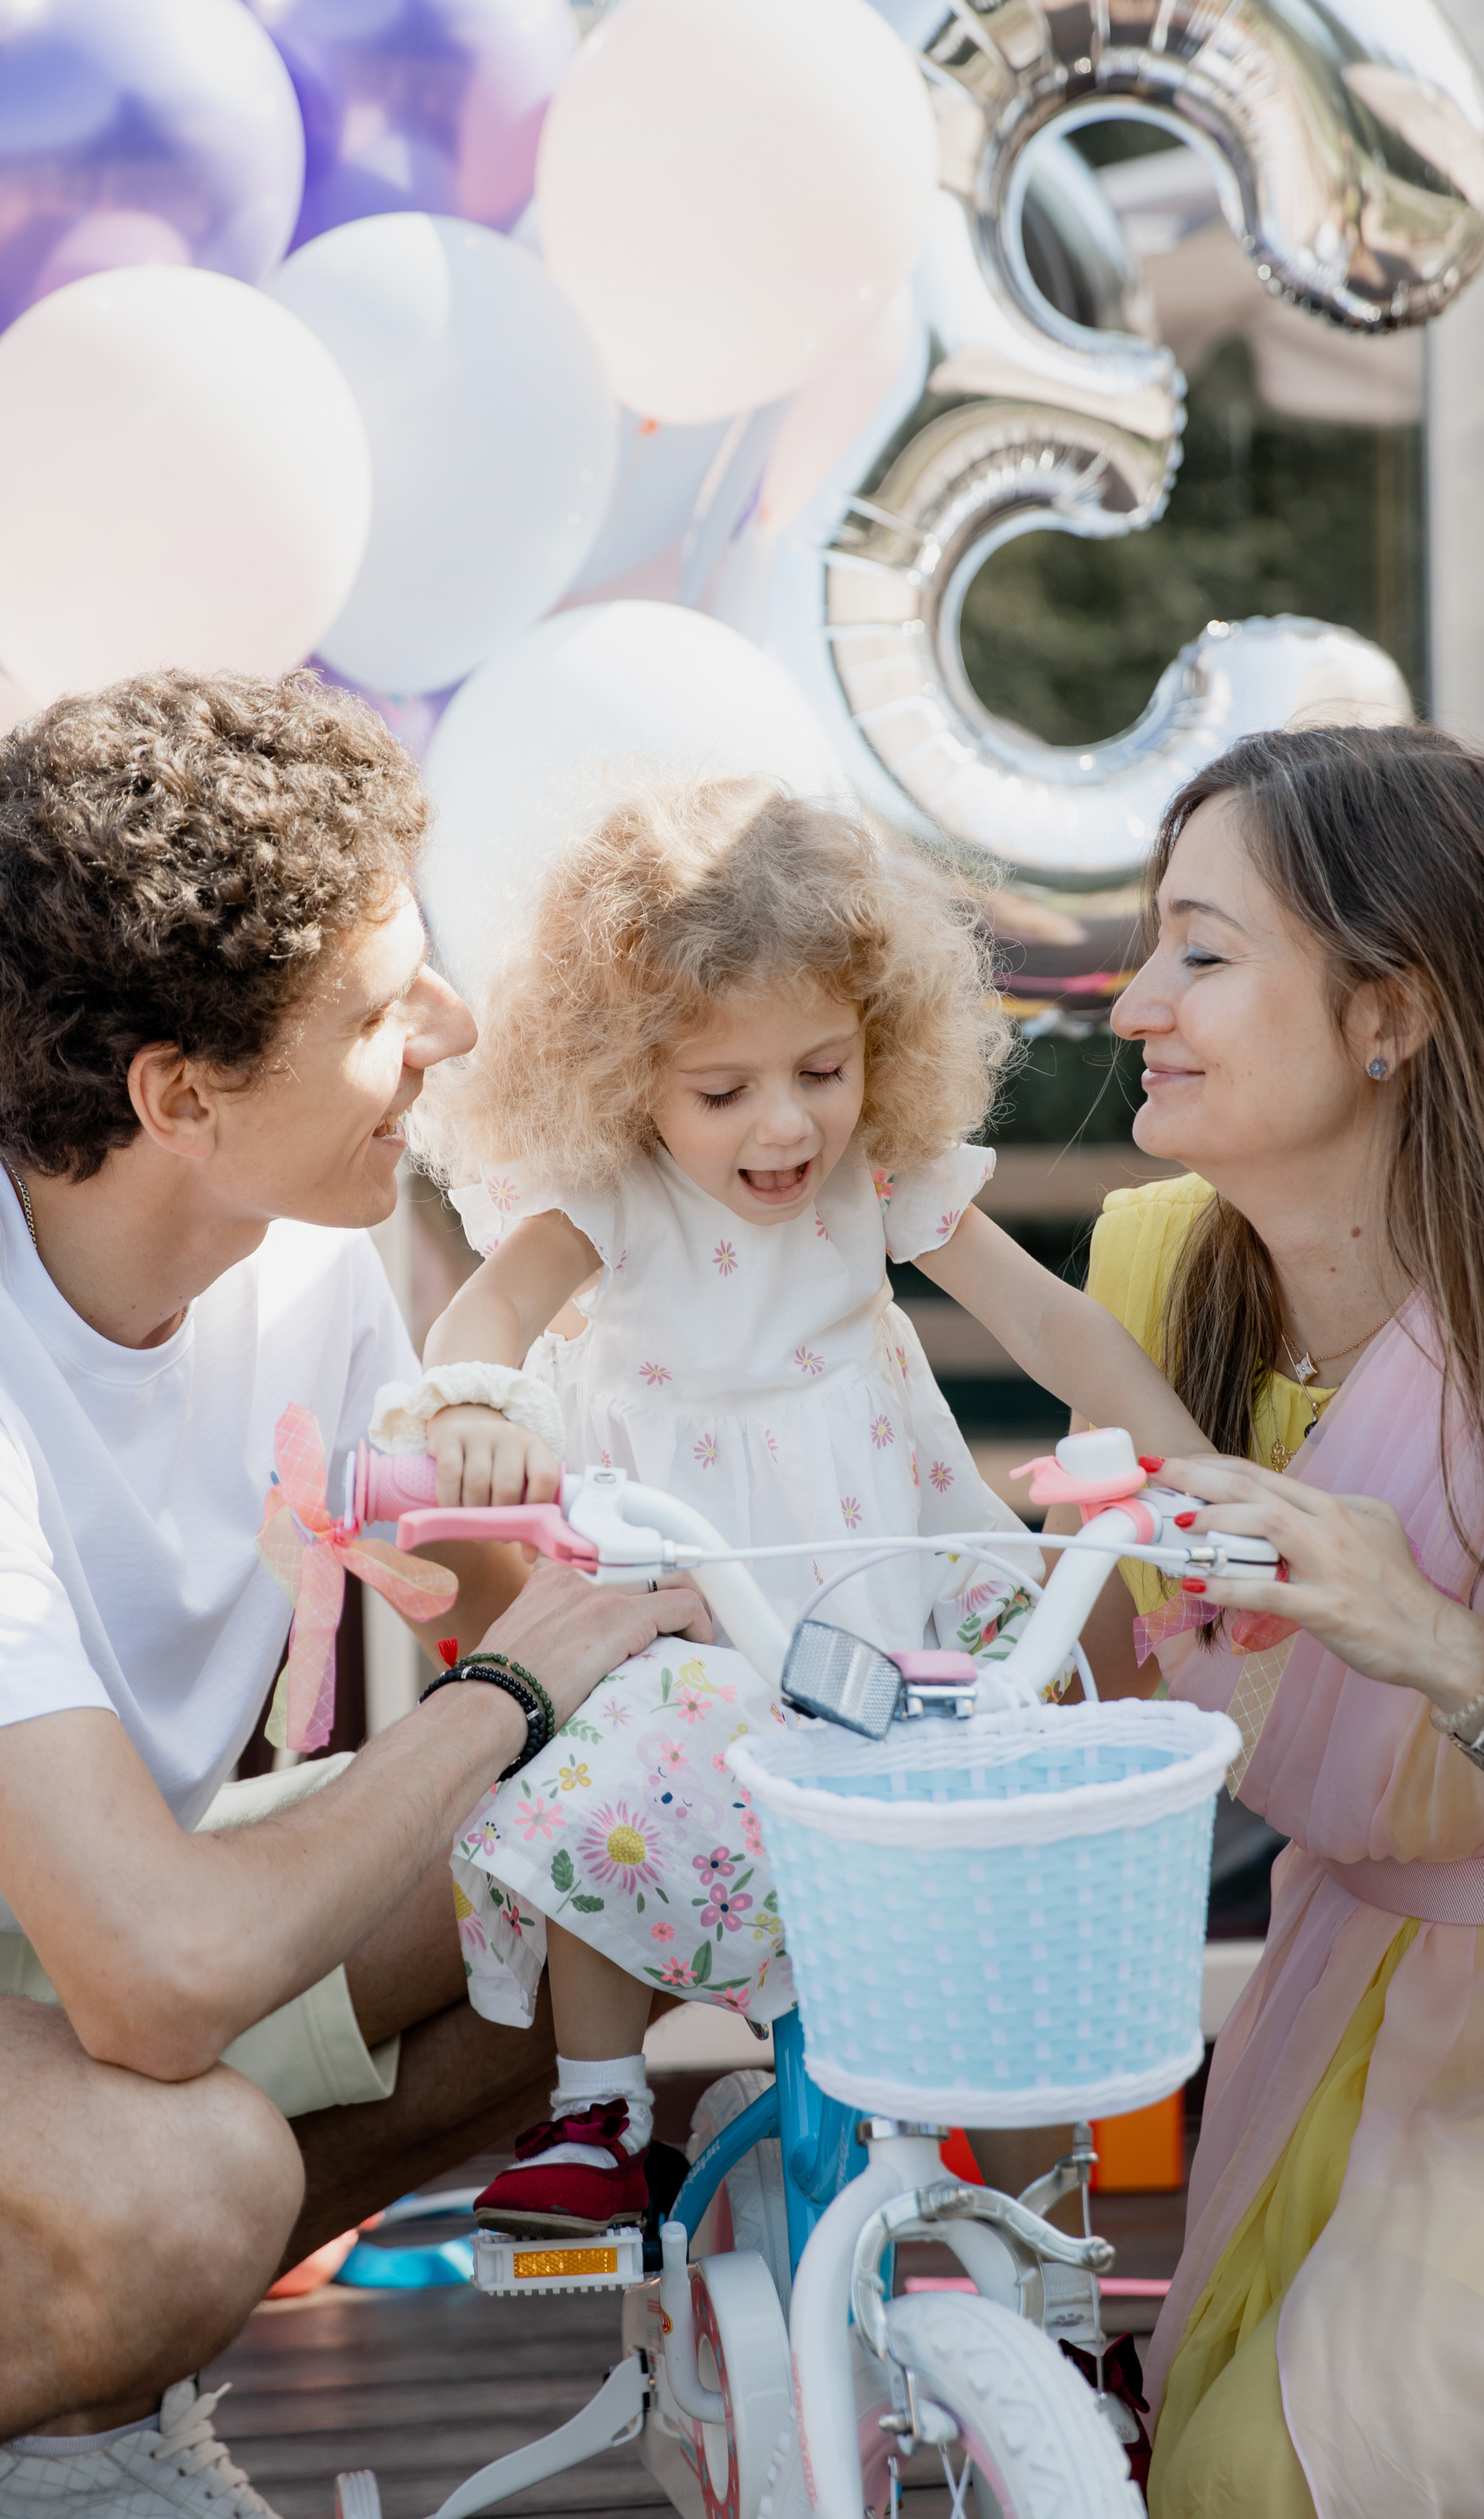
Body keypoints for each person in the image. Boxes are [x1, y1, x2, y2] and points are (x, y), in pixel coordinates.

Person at [0, 671, 713, 2518]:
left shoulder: (303, 1249)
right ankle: (87, 2309)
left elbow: (480, 1580)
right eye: (385, 1008)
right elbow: (156, 1985)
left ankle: (80, 2399)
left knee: (605, 1875)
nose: (450, 1028)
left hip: (66, 1911)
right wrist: (507, 1695)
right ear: (180, 1094)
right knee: (179, 2190)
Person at [396, 777, 1209, 2238]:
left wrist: (1184, 1466)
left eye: (823, 1070)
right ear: (626, 1076)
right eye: (723, 1091)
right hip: (694, 1593)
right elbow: (485, 1314)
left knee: (997, 1866)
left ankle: (1050, 2261)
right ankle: (598, 2110)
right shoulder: (620, 1199)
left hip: (890, 1573)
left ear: (877, 1045)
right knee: (606, 1755)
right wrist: (473, 1412)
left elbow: (1057, 1331)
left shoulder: (874, 1179)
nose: (785, 1126)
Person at [1066, 723, 1484, 2518]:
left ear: (1389, 1015)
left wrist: (1430, 1635)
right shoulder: (1152, 1269)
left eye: (1204, 952)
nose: (1134, 1002)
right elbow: (1132, 1697)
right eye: (1152, 942)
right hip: (1320, 1995)